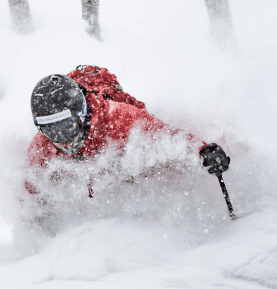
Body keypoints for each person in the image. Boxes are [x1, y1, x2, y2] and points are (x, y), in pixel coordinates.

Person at [25, 65, 230, 196]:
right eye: (50, 130)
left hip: (121, 144)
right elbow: (30, 187)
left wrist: (202, 152)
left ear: (82, 113)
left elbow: (166, 137)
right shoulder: (42, 146)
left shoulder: (120, 119)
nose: (62, 139)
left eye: (66, 126)